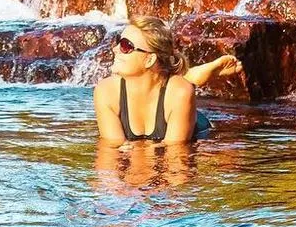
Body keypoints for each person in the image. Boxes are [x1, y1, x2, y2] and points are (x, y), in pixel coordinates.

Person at [93, 16, 243, 147]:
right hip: (163, 90)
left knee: (181, 87)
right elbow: (110, 153)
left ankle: (194, 76)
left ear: (149, 59)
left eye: (125, 46)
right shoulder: (105, 92)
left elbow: (176, 155)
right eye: (118, 42)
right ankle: (192, 74)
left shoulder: (180, 92)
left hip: (198, 126)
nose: (114, 49)